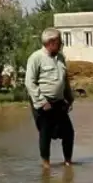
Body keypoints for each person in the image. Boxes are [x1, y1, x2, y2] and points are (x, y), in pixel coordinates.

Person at [25, 28, 75, 170]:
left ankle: (68, 163)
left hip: (59, 102)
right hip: (43, 102)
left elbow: (64, 80)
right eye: (60, 42)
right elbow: (30, 82)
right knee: (45, 134)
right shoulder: (36, 58)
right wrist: (42, 102)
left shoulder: (60, 57)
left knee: (68, 132)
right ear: (51, 42)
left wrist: (69, 98)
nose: (61, 44)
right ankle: (46, 166)